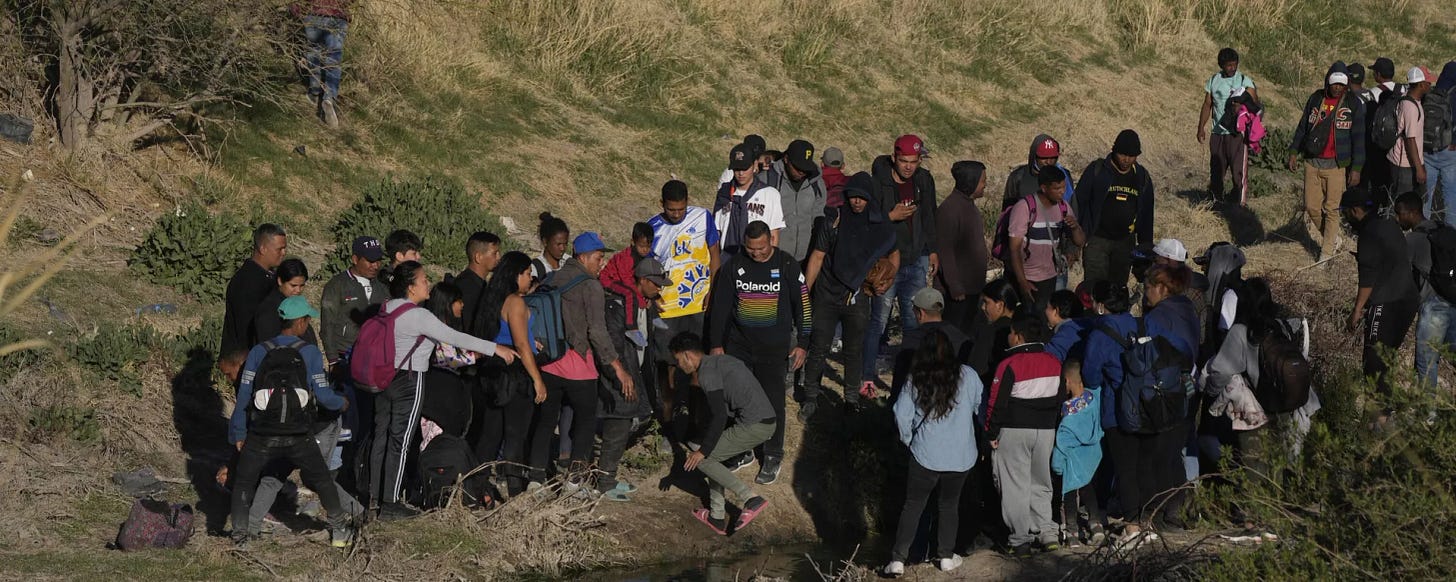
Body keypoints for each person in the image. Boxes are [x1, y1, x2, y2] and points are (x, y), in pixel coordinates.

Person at [370, 261, 517, 519]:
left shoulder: (387, 308)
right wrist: (495, 349)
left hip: (384, 379)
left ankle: (374, 497)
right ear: (411, 287)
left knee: (381, 438)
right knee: (401, 443)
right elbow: (456, 338)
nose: (428, 283)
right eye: (423, 279)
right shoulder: (420, 315)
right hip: (409, 380)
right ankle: (391, 504)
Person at [229, 296, 352, 548]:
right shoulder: (308, 353)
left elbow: (243, 396)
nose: (307, 325)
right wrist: (343, 403)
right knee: (322, 480)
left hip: (262, 433)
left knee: (244, 480)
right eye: (307, 320)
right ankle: (339, 530)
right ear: (300, 322)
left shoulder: (258, 351)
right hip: (299, 434)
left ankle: (242, 536)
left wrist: (239, 432)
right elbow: (324, 396)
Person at [526, 233, 634, 493]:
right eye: (599, 258)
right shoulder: (591, 286)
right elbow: (596, 332)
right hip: (579, 367)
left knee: (544, 422)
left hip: (549, 364)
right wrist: (617, 367)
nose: (602, 264)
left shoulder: (553, 277)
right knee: (585, 425)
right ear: (584, 258)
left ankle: (535, 478)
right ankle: (574, 482)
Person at [707, 220, 809, 484]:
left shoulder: (787, 265)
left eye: (762, 248)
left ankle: (773, 453)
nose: (757, 253)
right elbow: (719, 308)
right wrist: (716, 344)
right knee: (737, 401)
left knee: (773, 402)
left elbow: (804, 306)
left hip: (774, 351)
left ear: (770, 241)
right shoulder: (734, 267)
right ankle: (742, 451)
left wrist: (803, 343)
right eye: (752, 249)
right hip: (739, 347)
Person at [884, 330, 983, 576]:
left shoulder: (916, 378)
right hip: (961, 456)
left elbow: (900, 412)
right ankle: (946, 556)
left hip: (925, 454)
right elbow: (982, 407)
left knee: (913, 506)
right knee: (949, 506)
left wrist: (909, 440)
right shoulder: (968, 375)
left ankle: (898, 559)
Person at [802, 172, 899, 417]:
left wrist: (888, 279)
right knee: (819, 347)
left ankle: (851, 399)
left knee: (853, 350)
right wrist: (805, 291)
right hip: (827, 293)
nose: (856, 202)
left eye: (862, 197)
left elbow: (894, 251)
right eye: (852, 196)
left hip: (857, 296)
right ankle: (810, 396)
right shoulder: (833, 221)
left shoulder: (878, 226)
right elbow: (817, 257)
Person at [670, 332, 773, 536]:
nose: (679, 366)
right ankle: (716, 517)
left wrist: (702, 451)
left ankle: (750, 498)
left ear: (688, 355)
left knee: (705, 459)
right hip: (764, 419)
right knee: (713, 457)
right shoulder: (720, 360)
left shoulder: (707, 375)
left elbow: (719, 416)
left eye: (678, 360)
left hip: (755, 424)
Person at [986, 313, 1067, 556]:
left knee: (1014, 484)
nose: (1008, 337)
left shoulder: (1008, 364)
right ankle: (1048, 534)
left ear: (1019, 336)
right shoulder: (1055, 361)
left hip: (1013, 429)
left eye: (1010, 333)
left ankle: (1020, 539)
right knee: (1041, 482)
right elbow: (1060, 398)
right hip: (1045, 431)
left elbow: (995, 402)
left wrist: (991, 431)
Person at [471, 252, 548, 496]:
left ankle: (476, 486)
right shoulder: (515, 302)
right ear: (516, 275)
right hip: (514, 376)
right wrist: (537, 380)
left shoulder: (492, 298)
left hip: (493, 373)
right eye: (526, 273)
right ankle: (514, 491)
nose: (530, 278)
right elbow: (521, 345)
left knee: (490, 435)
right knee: (516, 434)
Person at [866, 134, 939, 386]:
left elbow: (929, 215)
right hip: (888, 260)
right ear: (894, 157)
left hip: (916, 257)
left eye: (914, 161)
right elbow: (869, 220)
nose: (909, 166)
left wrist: (932, 250)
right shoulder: (879, 182)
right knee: (879, 319)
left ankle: (911, 374)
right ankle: (867, 375)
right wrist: (891, 216)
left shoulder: (924, 180)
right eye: (904, 160)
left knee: (913, 319)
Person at [649, 180, 722, 427]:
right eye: (671, 210)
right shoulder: (653, 227)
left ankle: (696, 419)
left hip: (697, 305)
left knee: (696, 365)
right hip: (667, 310)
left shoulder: (702, 217)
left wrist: (714, 289)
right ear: (662, 205)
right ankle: (667, 418)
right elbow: (644, 270)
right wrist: (650, 299)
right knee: (667, 365)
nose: (677, 214)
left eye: (681, 209)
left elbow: (714, 254)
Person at [596, 256, 668, 500]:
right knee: (617, 426)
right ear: (643, 280)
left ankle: (604, 471)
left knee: (638, 418)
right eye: (657, 284)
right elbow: (612, 345)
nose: (660, 289)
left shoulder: (645, 305)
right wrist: (619, 375)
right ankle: (604, 481)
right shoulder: (618, 306)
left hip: (635, 375)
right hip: (619, 376)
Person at [1341, 186, 1417, 400]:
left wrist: (1356, 311)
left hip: (1386, 303)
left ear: (1356, 210)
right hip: (1409, 301)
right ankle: (1385, 410)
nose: (1345, 218)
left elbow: (1367, 282)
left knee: (1374, 364)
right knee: (1386, 359)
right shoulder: (1389, 224)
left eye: (1345, 212)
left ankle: (1379, 417)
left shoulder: (1368, 235)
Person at [1201, 277, 1278, 488]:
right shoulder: (1280, 326)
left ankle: (1246, 513)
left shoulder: (1241, 332)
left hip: (1251, 410)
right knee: (1268, 462)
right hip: (1280, 405)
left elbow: (1220, 372)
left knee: (1246, 463)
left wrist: (1210, 395)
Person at [1288, 61, 1366, 262]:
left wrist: (1356, 168)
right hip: (1312, 162)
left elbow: (1358, 138)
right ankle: (1333, 240)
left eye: (1342, 84)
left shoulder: (1353, 104)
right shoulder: (1316, 98)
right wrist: (1294, 151)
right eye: (1334, 83)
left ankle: (1326, 253)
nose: (1338, 87)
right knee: (1312, 207)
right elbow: (1302, 127)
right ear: (1328, 82)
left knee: (1332, 209)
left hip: (1337, 166)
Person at [1076, 130, 1155, 289]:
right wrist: (1076, 240)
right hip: (1097, 240)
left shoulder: (1141, 177)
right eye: (1122, 154)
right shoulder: (1097, 170)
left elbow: (1147, 214)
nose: (1126, 160)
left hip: (1125, 243)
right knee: (1094, 289)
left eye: (1131, 156)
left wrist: (1146, 247)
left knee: (1117, 290)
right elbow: (1079, 203)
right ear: (1114, 150)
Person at [1394, 192, 1450, 391]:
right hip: (1453, 301)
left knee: (1427, 363)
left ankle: (1427, 416)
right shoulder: (1444, 229)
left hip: (1433, 308)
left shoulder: (1413, 240)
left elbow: (1400, 276)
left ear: (1413, 212)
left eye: (1400, 213)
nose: (1398, 218)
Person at [1008, 169, 1085, 311]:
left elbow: (1080, 242)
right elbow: (1014, 248)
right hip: (1028, 277)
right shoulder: (1024, 208)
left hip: (1050, 276)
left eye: (1064, 187)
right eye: (1057, 188)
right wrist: (1022, 281)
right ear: (1044, 188)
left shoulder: (1063, 207)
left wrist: (1075, 228)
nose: (1062, 192)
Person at [1051, 359, 1104, 546]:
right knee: (1089, 489)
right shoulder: (1095, 399)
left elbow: (1061, 446)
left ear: (1067, 381)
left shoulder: (1067, 417)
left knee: (1070, 494)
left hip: (1072, 464)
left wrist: (1056, 466)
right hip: (1093, 458)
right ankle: (1096, 525)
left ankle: (1072, 532)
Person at [222, 224, 288, 373]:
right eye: (279, 249)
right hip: (248, 362)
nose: (283, 253)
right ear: (263, 248)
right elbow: (247, 326)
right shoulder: (248, 281)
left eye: (284, 248)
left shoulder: (267, 276)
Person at [1198, 48, 1260, 204]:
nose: (1232, 68)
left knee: (1238, 172)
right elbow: (1207, 105)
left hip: (1237, 134)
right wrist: (1201, 128)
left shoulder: (1244, 81)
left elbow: (1256, 105)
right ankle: (1216, 202)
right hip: (1218, 133)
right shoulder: (1213, 80)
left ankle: (1239, 205)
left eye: (1235, 65)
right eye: (1229, 65)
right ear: (1222, 65)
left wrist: (1242, 104)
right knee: (1216, 171)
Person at [936, 161, 990, 335]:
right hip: (957, 293)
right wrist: (955, 286)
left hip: (971, 288)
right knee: (954, 335)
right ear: (970, 181)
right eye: (982, 181)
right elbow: (945, 252)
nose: (985, 184)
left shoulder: (968, 205)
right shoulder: (949, 210)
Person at [891, 288, 971, 397]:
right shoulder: (961, 337)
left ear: (920, 313)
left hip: (921, 400)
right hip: (955, 399)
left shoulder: (912, 339)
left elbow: (901, 378)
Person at [321, 235, 386, 361]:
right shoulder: (337, 285)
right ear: (355, 259)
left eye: (378, 260)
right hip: (345, 353)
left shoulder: (383, 286)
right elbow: (327, 325)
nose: (376, 266)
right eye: (370, 261)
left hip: (375, 354)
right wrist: (333, 359)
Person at [715, 143, 785, 256]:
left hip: (757, 259)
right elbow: (717, 231)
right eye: (737, 169)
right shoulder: (724, 193)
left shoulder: (770, 194)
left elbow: (774, 235)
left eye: (745, 168)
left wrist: (770, 262)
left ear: (755, 165)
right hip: (727, 258)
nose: (741, 173)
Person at [290, 0, 350, 128]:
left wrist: (296, 10)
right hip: (337, 17)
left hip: (315, 14)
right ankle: (329, 97)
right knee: (333, 58)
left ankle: (314, 90)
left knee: (313, 50)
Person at [767, 139, 827, 262]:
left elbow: (818, 215)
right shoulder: (767, 180)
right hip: (775, 257)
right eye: (797, 167)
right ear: (786, 159)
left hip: (806, 258)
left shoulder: (817, 184)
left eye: (805, 168)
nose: (801, 172)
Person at [599, 222, 656, 331]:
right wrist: (640, 299)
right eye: (642, 246)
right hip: (609, 280)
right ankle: (631, 326)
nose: (645, 250)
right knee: (630, 294)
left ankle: (654, 318)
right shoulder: (626, 258)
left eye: (648, 246)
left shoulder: (643, 257)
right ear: (632, 242)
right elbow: (627, 281)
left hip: (622, 280)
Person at [254, 258, 318, 347]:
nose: (298, 290)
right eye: (293, 285)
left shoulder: (296, 304)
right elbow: (268, 346)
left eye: (302, 285)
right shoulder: (269, 310)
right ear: (280, 281)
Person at [1391, 66, 1432, 202]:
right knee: (1403, 203)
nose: (1430, 84)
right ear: (1421, 84)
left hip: (1409, 161)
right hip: (1405, 164)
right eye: (1428, 82)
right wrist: (1419, 168)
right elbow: (1410, 139)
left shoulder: (1409, 99)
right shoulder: (1411, 107)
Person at [1003, 134, 1075, 211]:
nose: (1048, 162)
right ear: (1034, 157)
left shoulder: (1064, 176)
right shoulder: (1018, 177)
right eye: (1043, 158)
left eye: (1052, 158)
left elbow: (1073, 206)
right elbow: (1007, 210)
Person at [1427, 61, 1456, 224]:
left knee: (1426, 194)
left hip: (1428, 149)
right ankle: (1451, 234)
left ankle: (1422, 231)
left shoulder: (1432, 92)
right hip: (1450, 150)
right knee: (1450, 195)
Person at [457, 231, 502, 325]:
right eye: (495, 253)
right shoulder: (467, 287)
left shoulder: (478, 283)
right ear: (478, 257)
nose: (499, 258)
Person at [1045, 290, 1090, 363]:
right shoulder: (1091, 325)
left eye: (1047, 307)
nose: (1045, 311)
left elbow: (1045, 361)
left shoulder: (1059, 341)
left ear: (1056, 311)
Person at [531, 213, 570, 282]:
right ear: (545, 242)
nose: (562, 248)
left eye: (565, 244)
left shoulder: (570, 263)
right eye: (558, 244)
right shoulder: (535, 269)